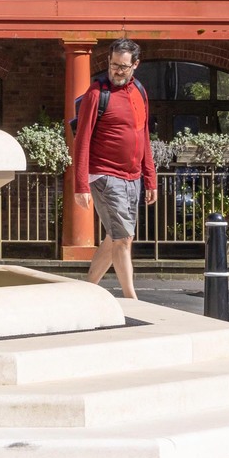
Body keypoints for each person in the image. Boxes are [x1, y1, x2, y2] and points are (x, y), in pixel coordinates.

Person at [69, 38, 158, 300]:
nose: (117, 71)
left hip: (133, 177)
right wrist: (81, 184)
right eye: (113, 65)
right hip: (104, 174)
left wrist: (150, 179)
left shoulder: (139, 92)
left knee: (115, 235)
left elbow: (143, 137)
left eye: (123, 66)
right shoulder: (97, 94)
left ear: (135, 65)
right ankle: (132, 298)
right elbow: (81, 140)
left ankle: (87, 289)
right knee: (124, 238)